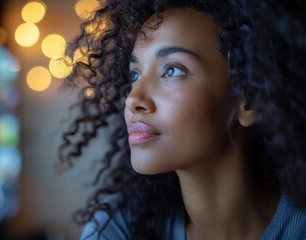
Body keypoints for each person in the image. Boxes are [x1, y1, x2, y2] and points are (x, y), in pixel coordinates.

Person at [58, 0, 306, 239]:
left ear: (249, 101)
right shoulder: (116, 226)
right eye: (135, 74)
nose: (133, 98)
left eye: (172, 70)